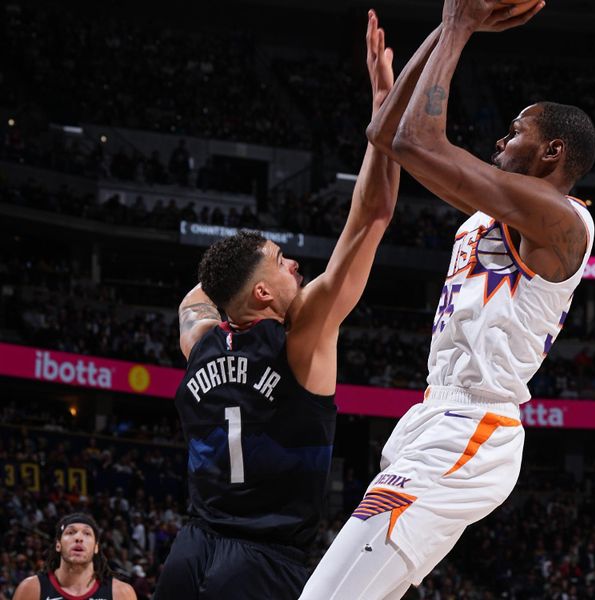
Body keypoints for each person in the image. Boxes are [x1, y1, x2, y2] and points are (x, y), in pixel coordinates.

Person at [302, 1, 595, 598]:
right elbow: (387, 133)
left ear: (554, 153)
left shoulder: (562, 220)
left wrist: (459, 24)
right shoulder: (502, 208)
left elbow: (415, 139)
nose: (500, 137)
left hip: (473, 427)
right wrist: (426, 53)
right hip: (434, 415)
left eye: (517, 131)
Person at [152, 14, 400, 600]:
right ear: (262, 295)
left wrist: (241, 269)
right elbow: (374, 216)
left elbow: (203, 290)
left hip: (189, 554)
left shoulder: (200, 339)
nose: (294, 265)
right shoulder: (301, 341)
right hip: (262, 564)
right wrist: (383, 103)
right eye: (281, 261)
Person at [12, 513, 136, 600]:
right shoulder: (31, 589)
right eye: (70, 532)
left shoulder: (120, 593)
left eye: (87, 533)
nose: (78, 538)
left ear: (96, 547)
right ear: (58, 545)